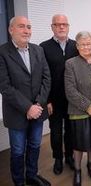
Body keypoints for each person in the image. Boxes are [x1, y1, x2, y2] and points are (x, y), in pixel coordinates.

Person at [0, 16, 51, 186]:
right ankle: (19, 181)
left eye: (28, 27)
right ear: (11, 29)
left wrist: (37, 105)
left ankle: (32, 175)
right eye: (21, 26)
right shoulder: (2, 53)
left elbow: (46, 79)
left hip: (38, 110)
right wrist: (28, 107)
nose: (26, 30)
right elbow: (5, 87)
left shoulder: (38, 50)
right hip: (16, 113)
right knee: (17, 150)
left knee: (35, 145)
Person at [40, 14, 78, 175]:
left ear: (68, 26)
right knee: (55, 132)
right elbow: (41, 75)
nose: (61, 27)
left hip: (72, 100)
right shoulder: (43, 47)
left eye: (64, 24)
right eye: (57, 24)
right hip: (53, 101)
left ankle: (69, 156)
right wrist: (46, 100)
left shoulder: (76, 46)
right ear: (52, 27)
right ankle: (58, 158)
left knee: (70, 131)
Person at [64, 31, 91, 186]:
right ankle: (77, 170)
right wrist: (88, 107)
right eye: (83, 44)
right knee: (79, 144)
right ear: (77, 46)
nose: (86, 47)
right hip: (79, 111)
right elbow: (70, 90)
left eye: (89, 44)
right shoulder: (70, 63)